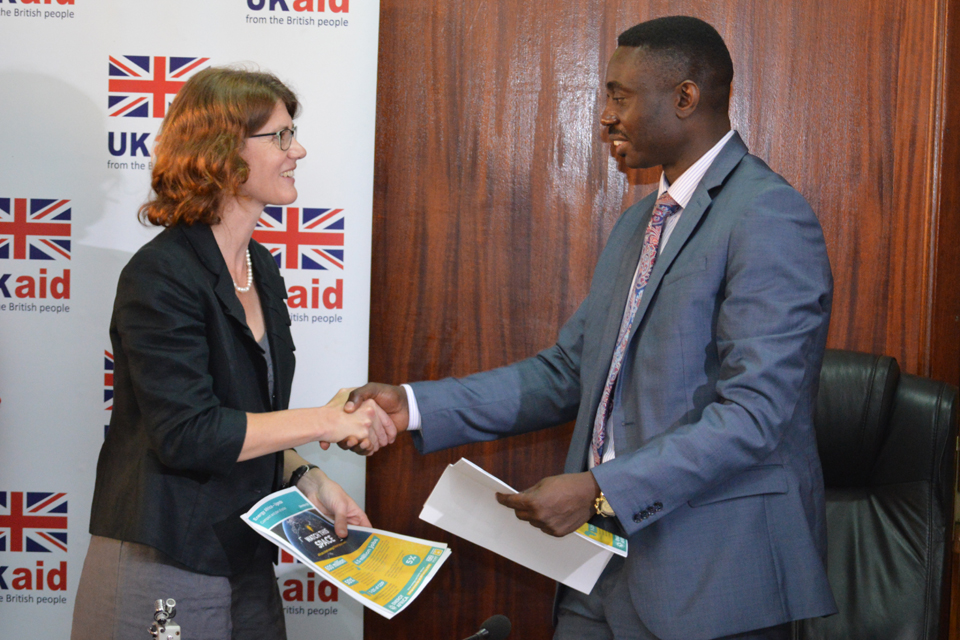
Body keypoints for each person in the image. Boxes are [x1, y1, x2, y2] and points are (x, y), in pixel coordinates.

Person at [345, 16, 838, 640]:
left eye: (619, 96)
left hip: (710, 580)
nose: (604, 116)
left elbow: (754, 414)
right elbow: (570, 372)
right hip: (597, 576)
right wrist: (412, 405)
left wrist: (600, 489)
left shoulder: (768, 215)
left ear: (685, 98)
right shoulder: (640, 224)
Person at [71, 67, 393, 640]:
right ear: (222, 152)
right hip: (165, 556)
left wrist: (307, 478)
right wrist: (326, 419)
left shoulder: (262, 268)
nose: (298, 151)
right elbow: (190, 434)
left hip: (245, 556)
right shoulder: (160, 275)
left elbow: (246, 419)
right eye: (281, 137)